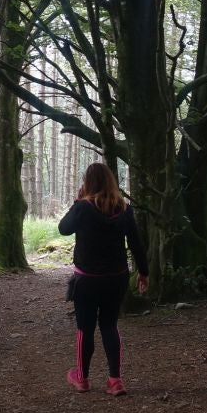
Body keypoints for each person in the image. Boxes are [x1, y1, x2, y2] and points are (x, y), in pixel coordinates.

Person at [58, 162, 148, 396]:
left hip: (87, 280)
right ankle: (115, 380)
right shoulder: (125, 209)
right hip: (116, 279)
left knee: (84, 329)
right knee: (109, 325)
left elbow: (63, 229)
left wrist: (77, 202)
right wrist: (144, 273)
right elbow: (136, 244)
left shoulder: (83, 208)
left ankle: (82, 378)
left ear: (88, 183)